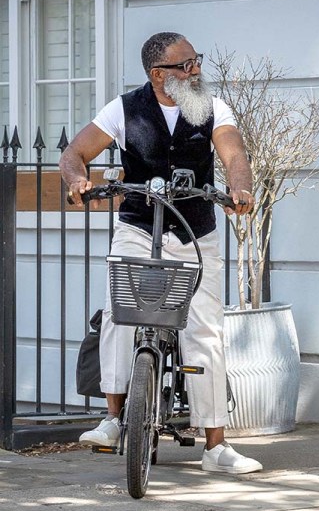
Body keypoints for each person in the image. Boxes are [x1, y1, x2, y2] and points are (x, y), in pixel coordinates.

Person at [60, 32, 262, 474]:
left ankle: (216, 447)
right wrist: (77, 179)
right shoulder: (124, 109)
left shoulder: (212, 108)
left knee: (204, 330)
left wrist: (240, 186)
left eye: (195, 61)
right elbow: (74, 153)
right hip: (137, 225)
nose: (196, 71)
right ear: (158, 76)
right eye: (185, 65)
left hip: (194, 233)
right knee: (119, 314)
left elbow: (234, 153)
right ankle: (113, 419)